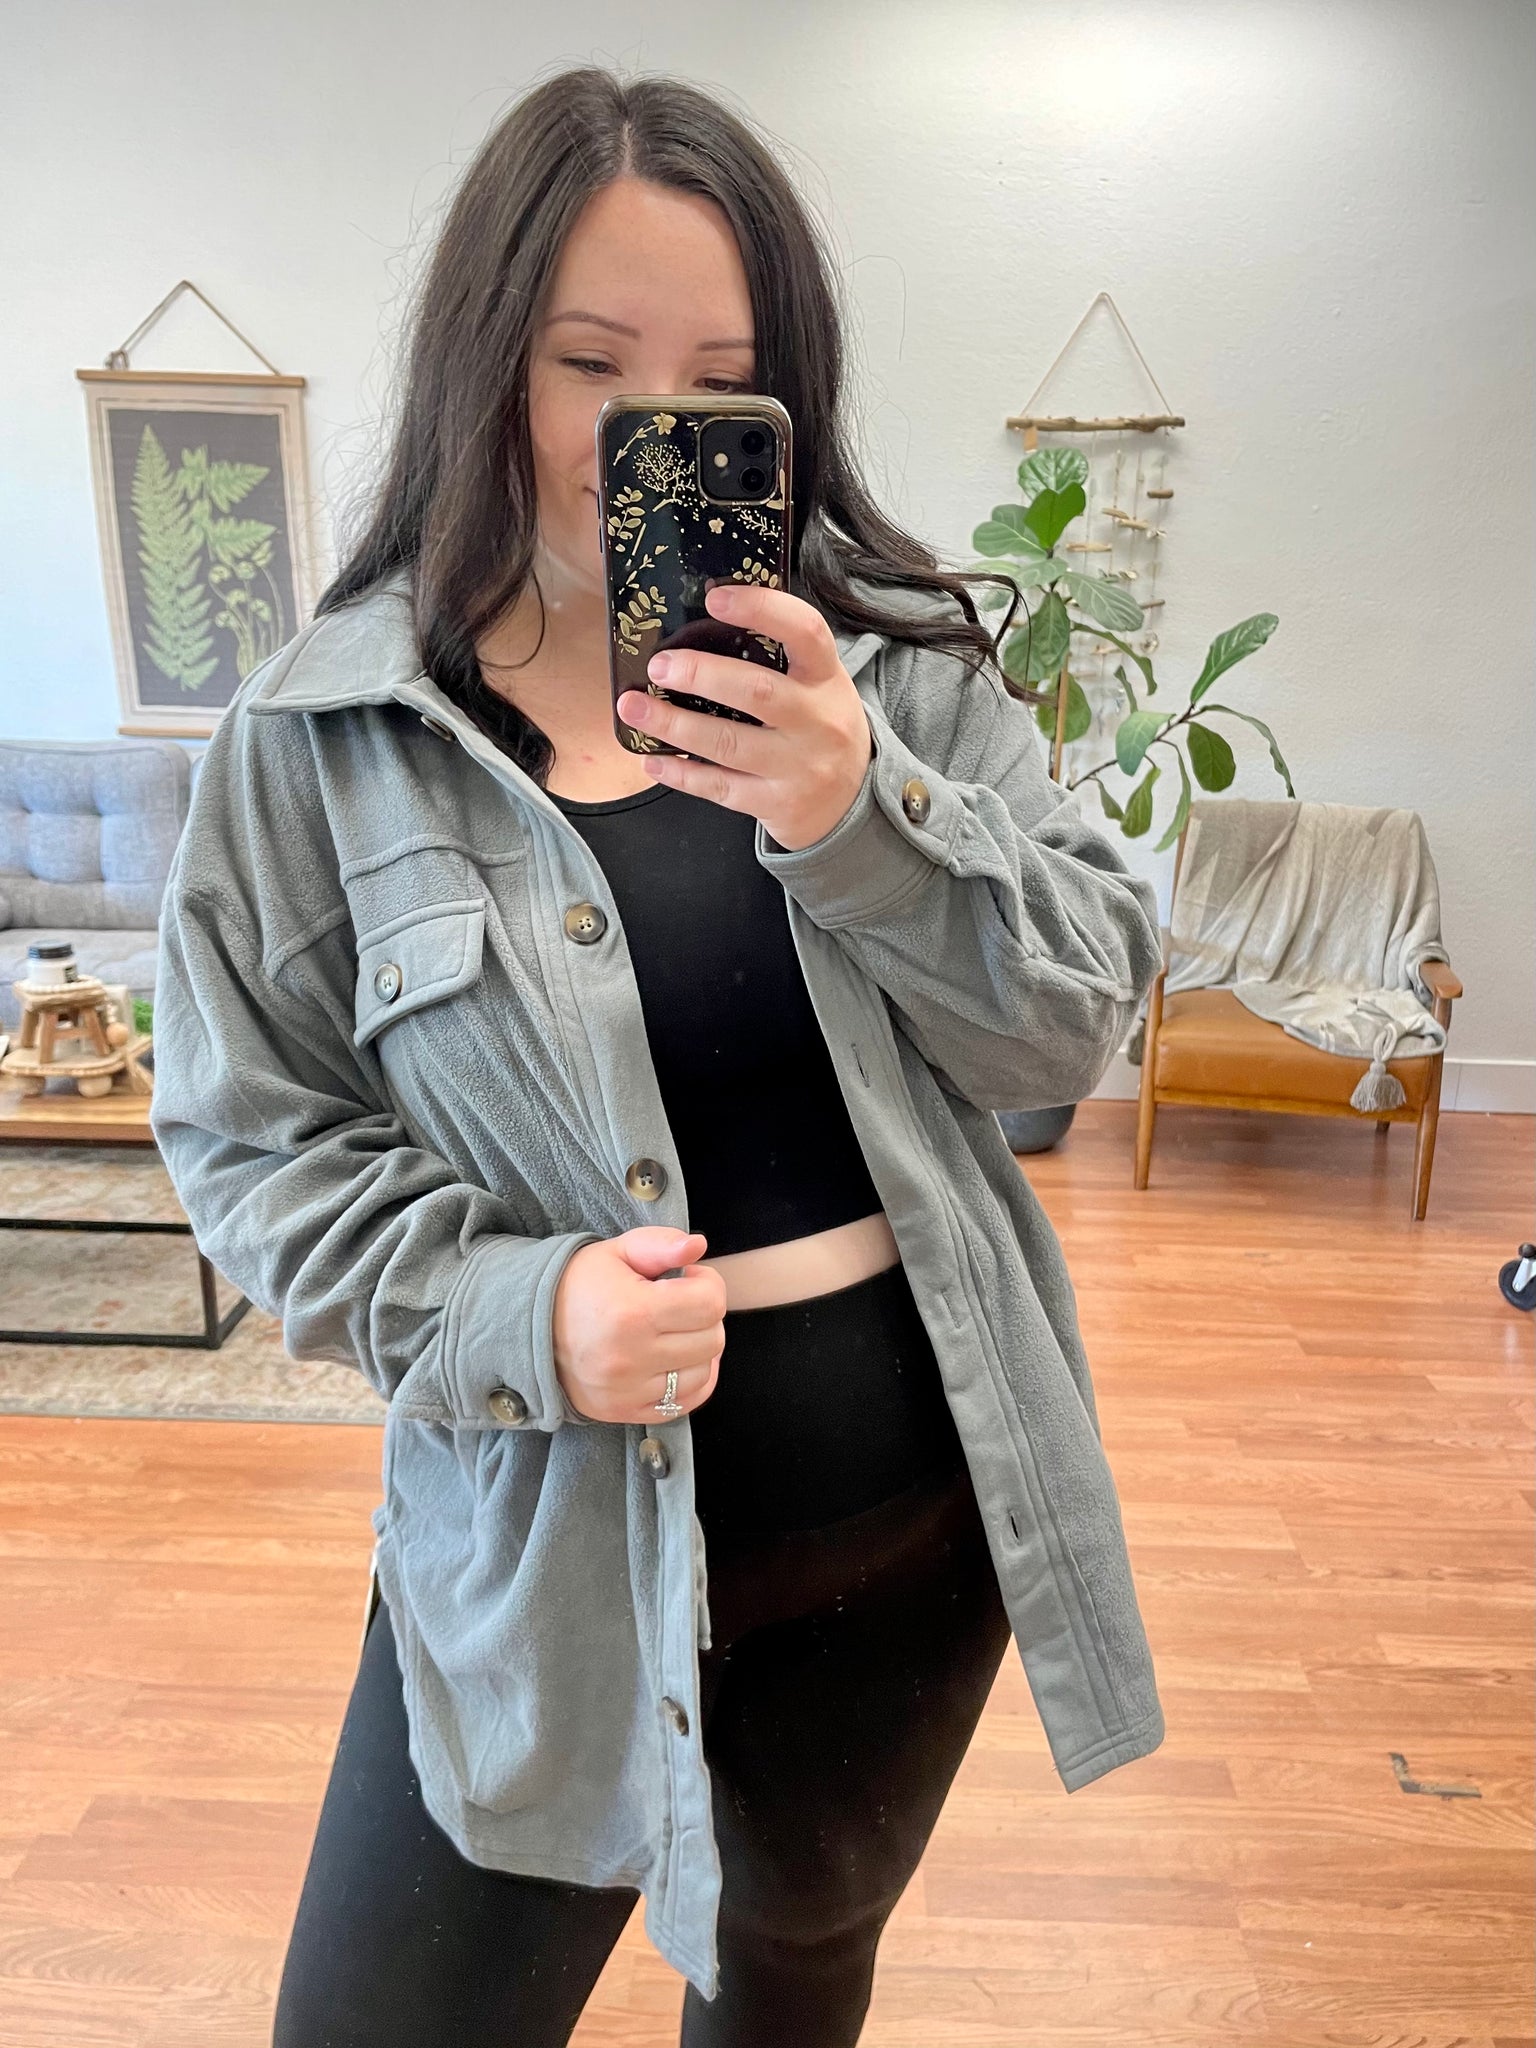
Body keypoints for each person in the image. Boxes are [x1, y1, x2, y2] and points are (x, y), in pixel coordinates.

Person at [148, 64, 1167, 2048]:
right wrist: (524, 1310)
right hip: (534, 1567)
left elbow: (1065, 1028)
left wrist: (865, 817)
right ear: (485, 362)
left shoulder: (900, 673)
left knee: (786, 1995)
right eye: (591, 363)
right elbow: (250, 1146)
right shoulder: (322, 739)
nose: (649, 429)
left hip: (900, 1545)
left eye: (721, 379)